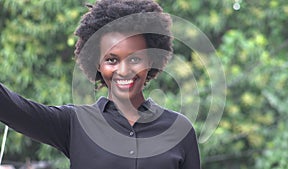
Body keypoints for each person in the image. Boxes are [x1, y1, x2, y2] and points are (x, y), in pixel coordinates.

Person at [0, 0, 201, 168]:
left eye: (135, 59)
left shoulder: (179, 130)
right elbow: (12, 108)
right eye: (112, 60)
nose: (123, 70)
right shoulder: (74, 123)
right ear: (98, 63)